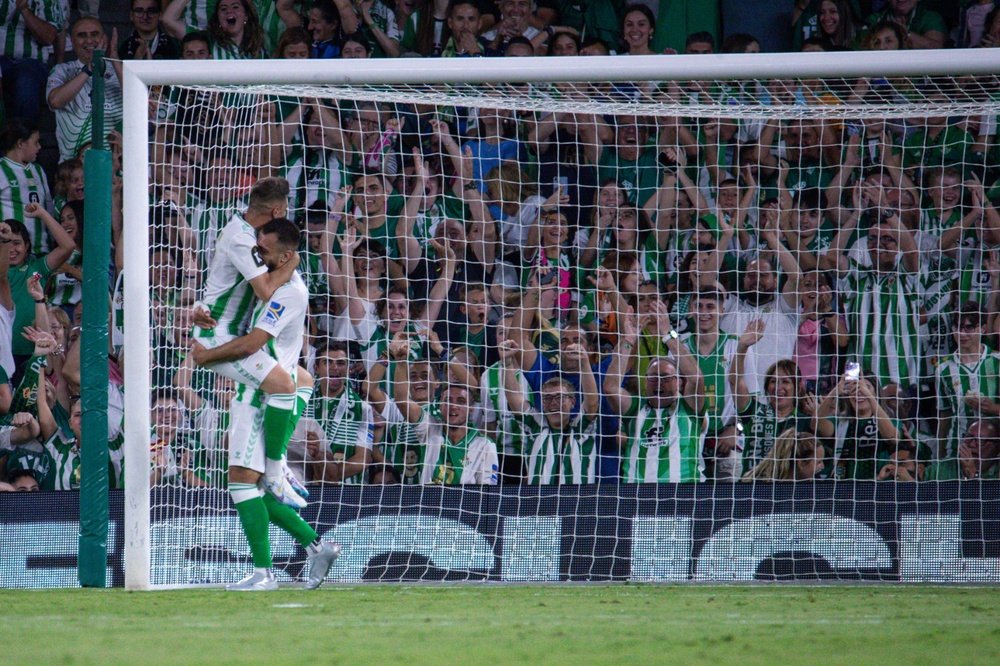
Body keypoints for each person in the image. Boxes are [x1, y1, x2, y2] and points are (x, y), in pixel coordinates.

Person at [192, 217, 341, 592]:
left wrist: (204, 356)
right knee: (248, 485)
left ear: (286, 255)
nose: (258, 256)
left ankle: (265, 573)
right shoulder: (273, 283)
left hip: (261, 396)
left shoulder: (289, 291)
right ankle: (315, 546)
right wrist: (200, 313)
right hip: (265, 389)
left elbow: (252, 344)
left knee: (243, 483)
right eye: (256, 249)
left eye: (265, 251)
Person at [189, 177, 310, 506]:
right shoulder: (242, 239)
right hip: (219, 333)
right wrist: (292, 260)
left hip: (228, 327)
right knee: (284, 386)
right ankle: (274, 472)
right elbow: (266, 290)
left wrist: (194, 309)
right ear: (276, 210)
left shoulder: (243, 230)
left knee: (302, 380)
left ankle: (277, 464)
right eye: (284, 211)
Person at [603, 311, 707, 483]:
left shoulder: (689, 406)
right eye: (653, 377)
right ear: (645, 382)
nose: (658, 382)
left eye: (665, 377)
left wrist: (667, 336)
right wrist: (629, 339)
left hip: (682, 494)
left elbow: (696, 377)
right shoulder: (635, 407)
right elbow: (611, 387)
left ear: (679, 383)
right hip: (636, 495)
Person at [502, 339, 600, 484]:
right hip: (538, 505)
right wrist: (507, 363)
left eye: (559, 397)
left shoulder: (581, 429)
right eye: (547, 398)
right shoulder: (535, 426)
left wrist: (585, 363)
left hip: (576, 504)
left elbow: (592, 403)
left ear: (573, 402)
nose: (553, 403)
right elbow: (513, 397)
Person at [45, 16, 124, 162]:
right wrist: (88, 69)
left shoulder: (119, 70)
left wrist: (114, 59)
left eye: (94, 34)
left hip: (118, 166)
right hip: (75, 168)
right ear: (71, 40)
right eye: (82, 35)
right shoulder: (63, 70)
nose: (89, 40)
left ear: (104, 38)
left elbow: (140, 102)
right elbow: (55, 101)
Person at [304, 340, 376, 485]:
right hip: (305, 484)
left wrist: (331, 474)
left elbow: (363, 458)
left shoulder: (361, 408)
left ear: (349, 368)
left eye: (341, 363)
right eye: (327, 362)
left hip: (346, 491)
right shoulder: (302, 403)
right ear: (316, 368)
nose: (334, 367)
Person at [0, 0, 60, 120]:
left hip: (32, 61)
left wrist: (25, 9)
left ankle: (25, 136)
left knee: (25, 80)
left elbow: (49, 38)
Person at [0, 119, 53, 255]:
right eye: (36, 142)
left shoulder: (38, 170)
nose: (39, 147)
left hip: (41, 253)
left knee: (35, 277)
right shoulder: (1, 169)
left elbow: (49, 208)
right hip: (11, 254)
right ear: (20, 143)